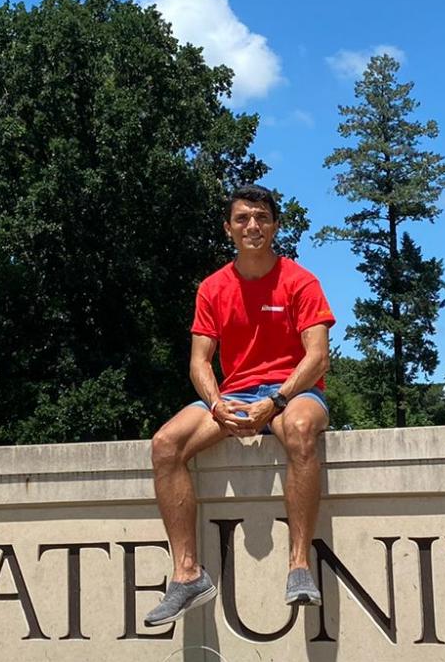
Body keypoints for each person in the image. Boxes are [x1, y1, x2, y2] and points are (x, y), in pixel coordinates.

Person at [143, 184, 335, 626]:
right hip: (234, 396)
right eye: (243, 218)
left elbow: (317, 356)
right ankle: (187, 575)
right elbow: (199, 361)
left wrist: (278, 399)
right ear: (228, 228)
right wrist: (215, 405)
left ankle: (299, 566)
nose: (253, 226)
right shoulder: (212, 288)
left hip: (294, 392)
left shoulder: (300, 281)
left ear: (275, 226)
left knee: (302, 430)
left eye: (262, 218)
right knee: (165, 445)